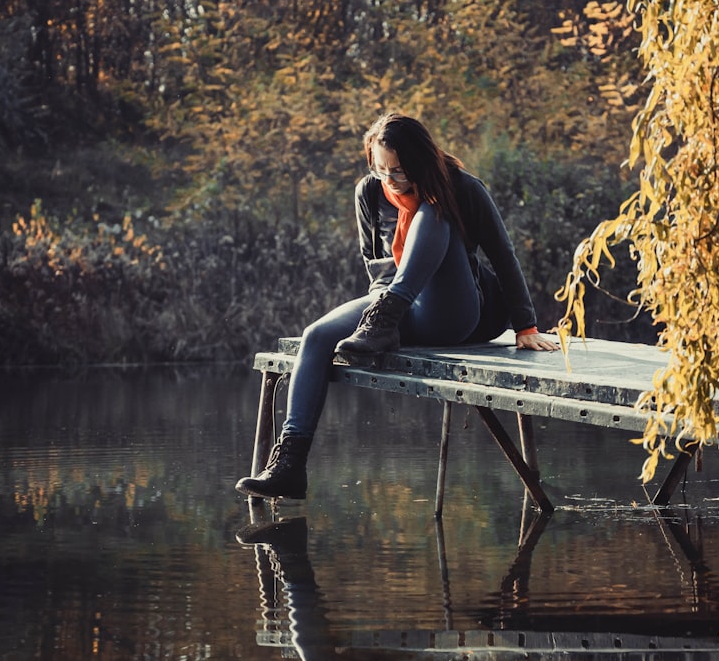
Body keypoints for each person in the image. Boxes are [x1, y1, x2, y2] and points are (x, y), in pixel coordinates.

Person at [235, 113, 558, 500]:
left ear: (421, 162)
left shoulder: (462, 187)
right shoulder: (369, 193)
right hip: (392, 310)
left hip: (455, 314)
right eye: (380, 168)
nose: (389, 179)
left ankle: (383, 320)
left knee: (433, 213)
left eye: (400, 171)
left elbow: (503, 255)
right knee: (316, 335)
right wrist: (381, 308)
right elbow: (376, 266)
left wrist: (526, 326)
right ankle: (288, 465)